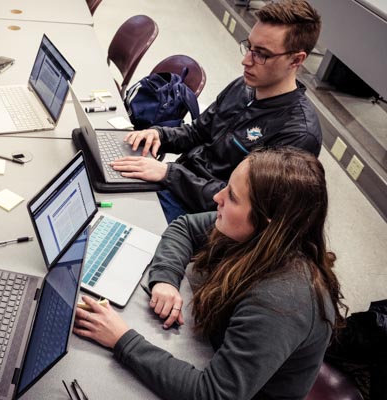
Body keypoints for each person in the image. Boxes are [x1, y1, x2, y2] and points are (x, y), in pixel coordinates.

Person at [74, 147, 346, 399]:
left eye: (232, 197)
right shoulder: (261, 235)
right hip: (213, 351)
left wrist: (122, 340)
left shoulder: (280, 302)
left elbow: (213, 394)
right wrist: (166, 280)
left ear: (267, 221)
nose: (217, 197)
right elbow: (185, 227)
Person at [111, 0, 323, 223]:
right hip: (176, 184)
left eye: (261, 54)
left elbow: (242, 205)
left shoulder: (298, 134)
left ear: (296, 60)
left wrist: (169, 174)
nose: (246, 60)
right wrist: (159, 135)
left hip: (202, 215)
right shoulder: (244, 86)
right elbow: (197, 132)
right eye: (249, 47)